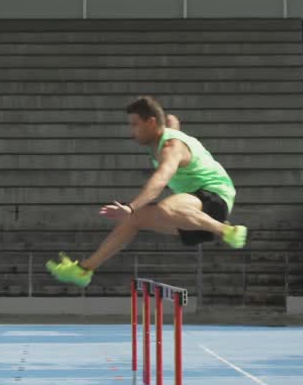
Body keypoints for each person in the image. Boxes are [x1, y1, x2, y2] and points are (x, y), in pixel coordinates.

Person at [47, 96, 247, 287]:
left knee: (165, 207)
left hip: (214, 196)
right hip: (193, 215)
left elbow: (160, 180)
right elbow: (170, 123)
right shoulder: (166, 134)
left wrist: (132, 207)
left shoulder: (170, 147)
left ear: (151, 122)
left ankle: (227, 231)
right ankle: (84, 270)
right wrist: (172, 123)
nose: (131, 131)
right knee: (132, 221)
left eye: (135, 124)